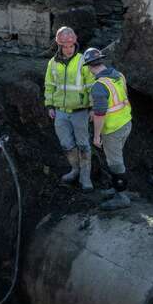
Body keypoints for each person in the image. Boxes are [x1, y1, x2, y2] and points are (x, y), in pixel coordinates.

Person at [82, 46, 133, 210]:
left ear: (89, 67)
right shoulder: (118, 75)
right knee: (117, 159)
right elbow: (119, 99)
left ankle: (121, 196)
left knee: (115, 163)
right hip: (126, 122)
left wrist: (97, 136)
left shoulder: (98, 86)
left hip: (112, 130)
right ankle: (118, 188)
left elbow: (100, 114)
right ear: (101, 61)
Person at [45, 27, 94, 191]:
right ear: (59, 46)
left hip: (80, 111)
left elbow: (91, 86)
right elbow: (49, 86)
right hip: (60, 112)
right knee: (66, 143)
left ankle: (85, 177)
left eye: (70, 46)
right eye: (64, 47)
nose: (68, 50)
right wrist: (50, 105)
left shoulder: (82, 61)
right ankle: (75, 170)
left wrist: (93, 108)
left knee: (83, 144)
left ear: (75, 44)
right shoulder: (52, 63)